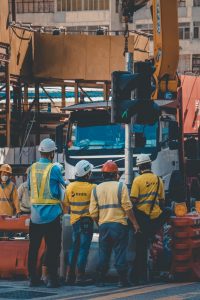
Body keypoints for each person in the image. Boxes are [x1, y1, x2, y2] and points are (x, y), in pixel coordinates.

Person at [89, 160, 140, 287]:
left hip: (104, 225)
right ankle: (122, 280)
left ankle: (100, 279)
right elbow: (127, 207)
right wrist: (135, 223)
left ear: (103, 175)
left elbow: (93, 212)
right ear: (115, 174)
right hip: (119, 225)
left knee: (104, 252)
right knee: (120, 252)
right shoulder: (120, 186)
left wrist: (100, 223)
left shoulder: (96, 189)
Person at [28, 138, 66, 288]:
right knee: (53, 248)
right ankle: (52, 279)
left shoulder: (31, 168)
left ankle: (32, 278)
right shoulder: (54, 169)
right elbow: (64, 185)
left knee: (33, 248)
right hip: (51, 216)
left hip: (35, 216)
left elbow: (30, 188)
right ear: (51, 153)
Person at [130, 154, 171, 285]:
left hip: (142, 221)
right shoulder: (158, 180)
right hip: (155, 220)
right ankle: (161, 270)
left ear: (139, 167)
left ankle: (138, 277)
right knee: (159, 244)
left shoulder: (137, 181)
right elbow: (162, 202)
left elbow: (133, 201)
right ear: (150, 165)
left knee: (140, 249)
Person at [64, 160, 96, 285]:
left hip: (74, 222)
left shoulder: (70, 187)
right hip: (87, 222)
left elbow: (65, 205)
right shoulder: (92, 188)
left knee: (74, 248)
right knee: (83, 249)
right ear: (87, 174)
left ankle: (69, 275)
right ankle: (80, 276)